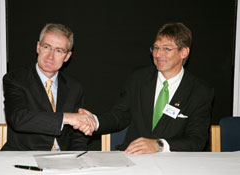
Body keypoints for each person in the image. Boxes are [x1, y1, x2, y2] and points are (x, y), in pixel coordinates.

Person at [80, 22, 214, 154]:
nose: (158, 54)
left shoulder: (200, 91)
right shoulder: (138, 78)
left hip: (174, 162)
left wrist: (159, 145)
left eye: (166, 49)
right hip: (135, 158)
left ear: (184, 52)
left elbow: (197, 140)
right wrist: (95, 121)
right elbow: (120, 115)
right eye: (156, 48)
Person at [2, 23, 96, 151]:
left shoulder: (74, 87)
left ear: (67, 56)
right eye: (47, 47)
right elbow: (18, 118)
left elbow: (78, 136)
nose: (50, 56)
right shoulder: (15, 79)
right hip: (24, 158)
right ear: (38, 47)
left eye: (58, 50)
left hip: (63, 160)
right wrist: (67, 118)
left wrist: (76, 157)